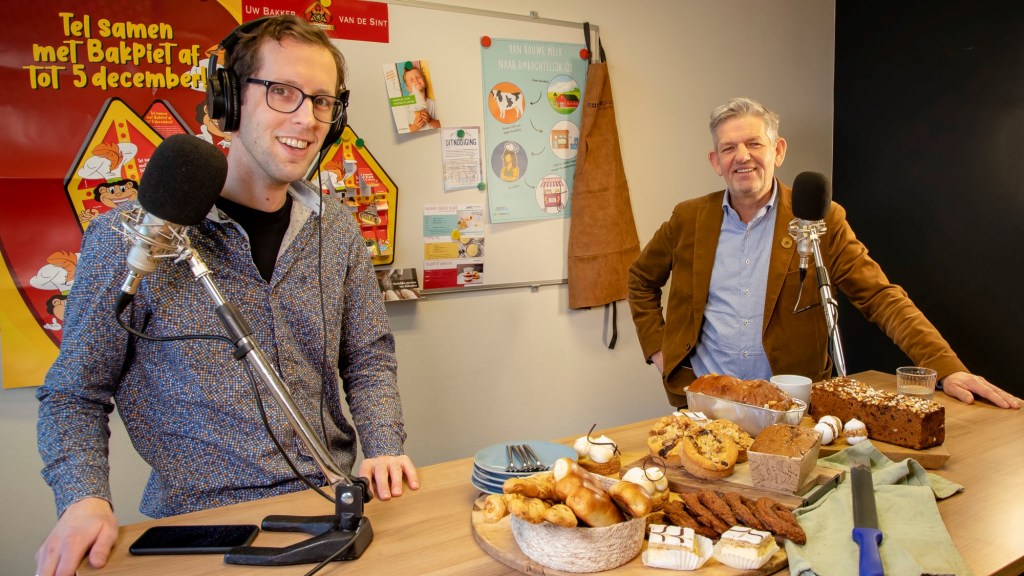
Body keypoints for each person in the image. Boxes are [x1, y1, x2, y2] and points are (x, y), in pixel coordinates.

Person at [35, 15, 419, 576]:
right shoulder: (133, 237)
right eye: (282, 92)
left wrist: (384, 444)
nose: (306, 119)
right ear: (228, 102)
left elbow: (367, 356)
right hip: (200, 524)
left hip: (330, 506)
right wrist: (82, 498)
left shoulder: (334, 228)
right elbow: (74, 394)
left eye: (321, 100)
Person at [627, 96, 1021, 411]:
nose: (742, 156)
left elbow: (881, 298)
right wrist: (661, 352)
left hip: (790, 406)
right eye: (728, 148)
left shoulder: (819, 218)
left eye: (754, 143)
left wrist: (946, 369)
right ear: (716, 162)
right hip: (704, 403)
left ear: (778, 151)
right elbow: (640, 279)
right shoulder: (688, 217)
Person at [403, 65, 440, 132]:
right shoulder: (406, 105)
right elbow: (404, 129)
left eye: (418, 77)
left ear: (425, 82)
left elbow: (441, 124)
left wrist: (430, 120)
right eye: (411, 80)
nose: (416, 80)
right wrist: (415, 127)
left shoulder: (433, 104)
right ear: (408, 88)